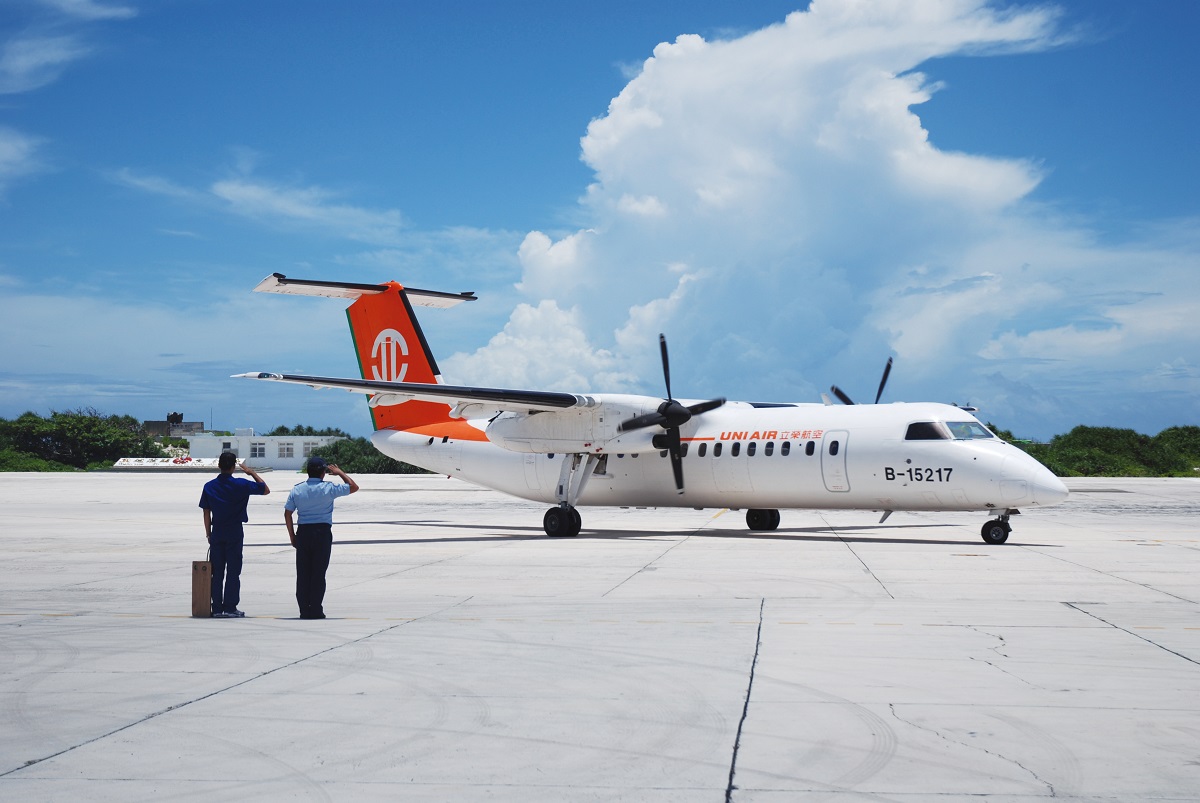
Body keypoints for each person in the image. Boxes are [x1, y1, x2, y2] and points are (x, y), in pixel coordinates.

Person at [284, 456, 359, 619]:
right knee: (318, 572)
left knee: (303, 573)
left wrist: (292, 536)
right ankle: (316, 609)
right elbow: (353, 487)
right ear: (323, 472)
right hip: (322, 533)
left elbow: (288, 513)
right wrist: (340, 472)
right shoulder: (329, 488)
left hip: (303, 533)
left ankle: (304, 609)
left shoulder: (297, 489)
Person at [199, 451, 270, 618]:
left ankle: (216, 608)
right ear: (233, 467)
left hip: (217, 531)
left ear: (219, 466)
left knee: (217, 572)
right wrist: (252, 472)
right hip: (234, 531)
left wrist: (208, 533)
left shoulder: (209, 486)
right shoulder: (242, 484)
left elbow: (206, 512)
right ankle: (230, 606)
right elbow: (265, 490)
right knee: (233, 571)